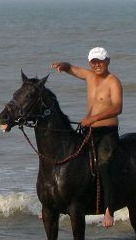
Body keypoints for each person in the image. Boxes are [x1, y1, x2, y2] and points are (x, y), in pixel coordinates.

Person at [51, 47, 124, 228]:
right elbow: (73, 69)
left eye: (100, 61)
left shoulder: (113, 81)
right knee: (70, 160)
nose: (97, 65)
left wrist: (93, 118)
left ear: (108, 60)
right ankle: (58, 203)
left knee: (103, 164)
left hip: (107, 132)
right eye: (93, 62)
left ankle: (109, 210)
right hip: (88, 131)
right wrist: (64, 65)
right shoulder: (90, 76)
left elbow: (117, 108)